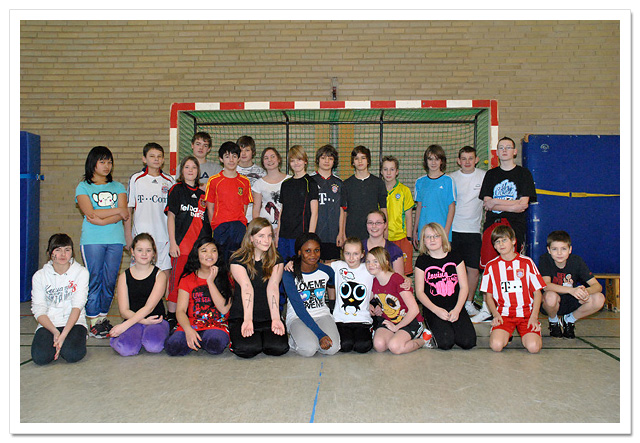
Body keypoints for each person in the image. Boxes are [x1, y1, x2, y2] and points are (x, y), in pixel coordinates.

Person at [472, 136, 537, 323]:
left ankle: (510, 307)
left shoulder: (524, 174)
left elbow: (523, 205)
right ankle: (487, 308)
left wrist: (497, 202)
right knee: (489, 267)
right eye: (501, 147)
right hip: (493, 225)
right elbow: (487, 204)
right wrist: (512, 204)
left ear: (515, 151)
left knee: (511, 267)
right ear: (497, 152)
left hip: (514, 226)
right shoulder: (491, 175)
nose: (505, 150)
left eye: (508, 147)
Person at [75, 146, 128, 337]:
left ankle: (102, 318)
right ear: (93, 163)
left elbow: (124, 212)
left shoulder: (118, 187)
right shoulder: (83, 187)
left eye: (109, 162)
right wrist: (115, 211)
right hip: (92, 240)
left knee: (110, 280)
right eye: (102, 162)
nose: (107, 166)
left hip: (115, 239)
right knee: (94, 278)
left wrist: (102, 219)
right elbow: (89, 213)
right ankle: (92, 320)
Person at [228, 218, 289, 358]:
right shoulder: (237, 260)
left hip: (267, 315)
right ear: (251, 238)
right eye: (261, 236)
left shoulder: (276, 259)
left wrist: (276, 319)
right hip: (243, 315)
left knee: (278, 348)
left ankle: (264, 336)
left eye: (269, 236)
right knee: (247, 349)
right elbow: (247, 288)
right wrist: (248, 320)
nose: (266, 240)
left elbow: (273, 287)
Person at [480, 225, 545, 353]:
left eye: (504, 240)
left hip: (526, 314)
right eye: (497, 242)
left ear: (514, 241)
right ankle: (505, 334)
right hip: (504, 315)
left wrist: (534, 316)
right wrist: (495, 314)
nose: (501, 244)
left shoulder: (527, 263)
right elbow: (488, 296)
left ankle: (531, 334)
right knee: (496, 346)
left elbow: (537, 293)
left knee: (533, 348)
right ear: (494, 246)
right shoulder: (491, 266)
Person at [165, 155, 212, 330]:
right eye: (187, 167)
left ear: (198, 171)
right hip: (181, 247)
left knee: (197, 282)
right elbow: (171, 217)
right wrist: (173, 243)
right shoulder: (176, 190)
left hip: (199, 250)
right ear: (181, 170)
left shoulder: (203, 194)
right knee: (176, 283)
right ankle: (171, 317)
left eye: (194, 167)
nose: (190, 170)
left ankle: (194, 316)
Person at [414, 223, 476, 350]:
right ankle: (429, 333)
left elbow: (464, 287)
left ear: (443, 238)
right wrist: (436, 310)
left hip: (455, 306)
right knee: (446, 342)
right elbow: (419, 292)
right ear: (423, 241)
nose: (432, 240)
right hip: (433, 308)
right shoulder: (422, 261)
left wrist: (457, 309)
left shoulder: (455, 256)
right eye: (428, 237)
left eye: (436, 236)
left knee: (467, 342)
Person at [164, 238, 232, 356]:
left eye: (213, 251)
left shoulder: (226, 276)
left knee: (215, 344)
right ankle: (196, 339)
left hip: (216, 324)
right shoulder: (187, 278)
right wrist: (188, 330)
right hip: (192, 323)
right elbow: (180, 311)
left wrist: (210, 282)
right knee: (173, 347)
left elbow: (224, 309)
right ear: (197, 254)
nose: (209, 255)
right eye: (204, 251)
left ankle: (200, 340)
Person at [30, 234, 89, 365]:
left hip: (74, 323)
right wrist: (55, 332)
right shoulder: (39, 276)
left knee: (72, 354)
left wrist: (63, 335)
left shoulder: (81, 272)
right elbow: (39, 309)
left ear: (72, 252)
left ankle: (76, 338)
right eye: (58, 250)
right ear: (49, 253)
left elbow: (78, 305)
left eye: (67, 250)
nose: (63, 254)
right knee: (40, 357)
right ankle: (58, 342)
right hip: (50, 323)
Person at [124, 142, 175, 292]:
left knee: (164, 275)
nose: (156, 159)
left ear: (163, 159)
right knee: (140, 274)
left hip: (164, 236)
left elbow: (173, 214)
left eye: (159, 156)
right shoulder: (136, 179)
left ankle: (161, 305)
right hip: (141, 235)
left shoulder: (169, 181)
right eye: (152, 156)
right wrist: (128, 236)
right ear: (144, 159)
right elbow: (128, 209)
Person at [109, 233, 170, 356]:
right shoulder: (124, 277)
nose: (144, 254)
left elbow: (149, 307)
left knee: (154, 346)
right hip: (133, 319)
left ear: (153, 253)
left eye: (148, 250)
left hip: (156, 320)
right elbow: (124, 311)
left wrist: (124, 326)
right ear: (132, 252)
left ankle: (148, 335)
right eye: (140, 250)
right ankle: (129, 338)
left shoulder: (160, 275)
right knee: (126, 349)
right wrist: (143, 321)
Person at [282, 233, 341, 357]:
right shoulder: (289, 273)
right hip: (298, 317)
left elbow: (336, 283)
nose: (313, 255)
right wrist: (320, 334)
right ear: (299, 252)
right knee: (309, 350)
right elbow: (299, 308)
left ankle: (310, 337)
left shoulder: (326, 271)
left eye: (316, 250)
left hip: (322, 315)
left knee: (332, 348)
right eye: (307, 251)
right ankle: (294, 340)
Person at [538, 230, 605, 339]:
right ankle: (553, 321)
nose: (559, 253)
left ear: (570, 250)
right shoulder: (545, 260)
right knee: (550, 296)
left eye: (563, 249)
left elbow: (597, 286)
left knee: (599, 298)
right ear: (548, 250)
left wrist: (585, 292)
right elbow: (546, 285)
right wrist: (571, 290)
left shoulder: (576, 261)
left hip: (571, 300)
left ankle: (569, 320)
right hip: (552, 302)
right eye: (555, 249)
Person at [448, 146, 486, 317]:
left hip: (473, 231)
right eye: (464, 158)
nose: (467, 162)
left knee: (473, 270)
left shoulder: (484, 176)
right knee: (452, 270)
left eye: (471, 158)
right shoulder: (451, 178)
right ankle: (453, 302)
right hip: (453, 230)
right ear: (458, 161)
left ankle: (468, 303)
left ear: (476, 160)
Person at [366, 246, 426, 355]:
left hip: (409, 321)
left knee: (395, 347)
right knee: (379, 345)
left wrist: (397, 327)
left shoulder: (397, 280)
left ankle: (425, 339)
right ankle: (398, 336)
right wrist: (370, 305)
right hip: (390, 320)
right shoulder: (374, 281)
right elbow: (365, 300)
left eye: (375, 261)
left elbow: (414, 310)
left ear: (386, 262)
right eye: (368, 261)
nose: (371, 264)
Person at [204, 141, 253, 263]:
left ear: (238, 159)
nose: (231, 160)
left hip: (239, 227)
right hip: (221, 227)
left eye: (234, 156)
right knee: (221, 262)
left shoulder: (245, 181)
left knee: (238, 262)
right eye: (227, 156)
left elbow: (245, 205)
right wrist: (215, 226)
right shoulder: (214, 180)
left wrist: (240, 224)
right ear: (221, 159)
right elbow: (210, 207)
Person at [330, 238, 374, 353]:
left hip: (362, 320)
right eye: (347, 253)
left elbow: (388, 275)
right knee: (345, 345)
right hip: (341, 320)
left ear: (362, 254)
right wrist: (294, 263)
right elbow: (316, 266)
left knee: (362, 346)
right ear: (343, 253)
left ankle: (371, 331)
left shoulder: (368, 269)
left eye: (355, 254)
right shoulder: (338, 266)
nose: (351, 258)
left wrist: (406, 279)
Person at [276, 145, 319, 262]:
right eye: (292, 160)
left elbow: (314, 213)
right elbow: (282, 211)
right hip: (284, 236)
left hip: (301, 236)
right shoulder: (285, 184)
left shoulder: (311, 183)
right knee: (282, 267)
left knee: (298, 267)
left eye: (299, 159)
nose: (296, 163)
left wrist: (310, 238)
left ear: (305, 161)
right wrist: (277, 235)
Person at [341, 145, 387, 244]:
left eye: (363, 158)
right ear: (353, 162)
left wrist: (385, 230)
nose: (360, 161)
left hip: (373, 231)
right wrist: (342, 233)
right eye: (356, 158)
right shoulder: (346, 184)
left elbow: (383, 209)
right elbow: (344, 212)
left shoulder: (378, 183)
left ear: (368, 161)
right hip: (352, 231)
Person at [412, 144, 456, 248]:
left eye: (437, 159)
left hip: (441, 232)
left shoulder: (448, 181)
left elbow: (452, 208)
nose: (433, 162)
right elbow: (419, 207)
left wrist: (446, 232)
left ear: (442, 161)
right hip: (424, 232)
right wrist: (415, 230)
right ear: (426, 161)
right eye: (430, 159)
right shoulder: (420, 182)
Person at [380, 155, 415, 276]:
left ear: (397, 171)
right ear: (381, 171)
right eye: (385, 169)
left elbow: (409, 216)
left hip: (401, 238)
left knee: (402, 275)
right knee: (385, 273)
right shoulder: (378, 190)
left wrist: (409, 239)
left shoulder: (404, 191)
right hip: (384, 239)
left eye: (392, 169)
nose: (388, 173)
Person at [311, 144, 346, 262]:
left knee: (332, 266)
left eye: (330, 158)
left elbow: (342, 210)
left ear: (334, 161)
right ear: (318, 160)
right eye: (323, 158)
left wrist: (341, 233)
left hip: (333, 235)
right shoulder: (310, 181)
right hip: (315, 234)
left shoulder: (339, 183)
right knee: (315, 265)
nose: (326, 161)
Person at [251, 147, 290, 235]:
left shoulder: (289, 180)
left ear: (279, 159)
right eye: (266, 158)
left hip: (285, 228)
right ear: (263, 162)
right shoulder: (258, 183)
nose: (270, 160)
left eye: (272, 156)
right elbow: (256, 210)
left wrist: (279, 228)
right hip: (265, 229)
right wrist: (260, 229)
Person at [362, 210, 405, 276]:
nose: (374, 226)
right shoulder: (359, 247)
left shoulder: (395, 250)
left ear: (385, 225)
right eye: (370, 223)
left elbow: (399, 279)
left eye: (378, 223)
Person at [236, 135, 266, 223]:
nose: (243, 153)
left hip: (254, 218)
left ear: (253, 152)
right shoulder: (229, 170)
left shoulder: (261, 173)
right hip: (235, 217)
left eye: (247, 150)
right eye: (241, 150)